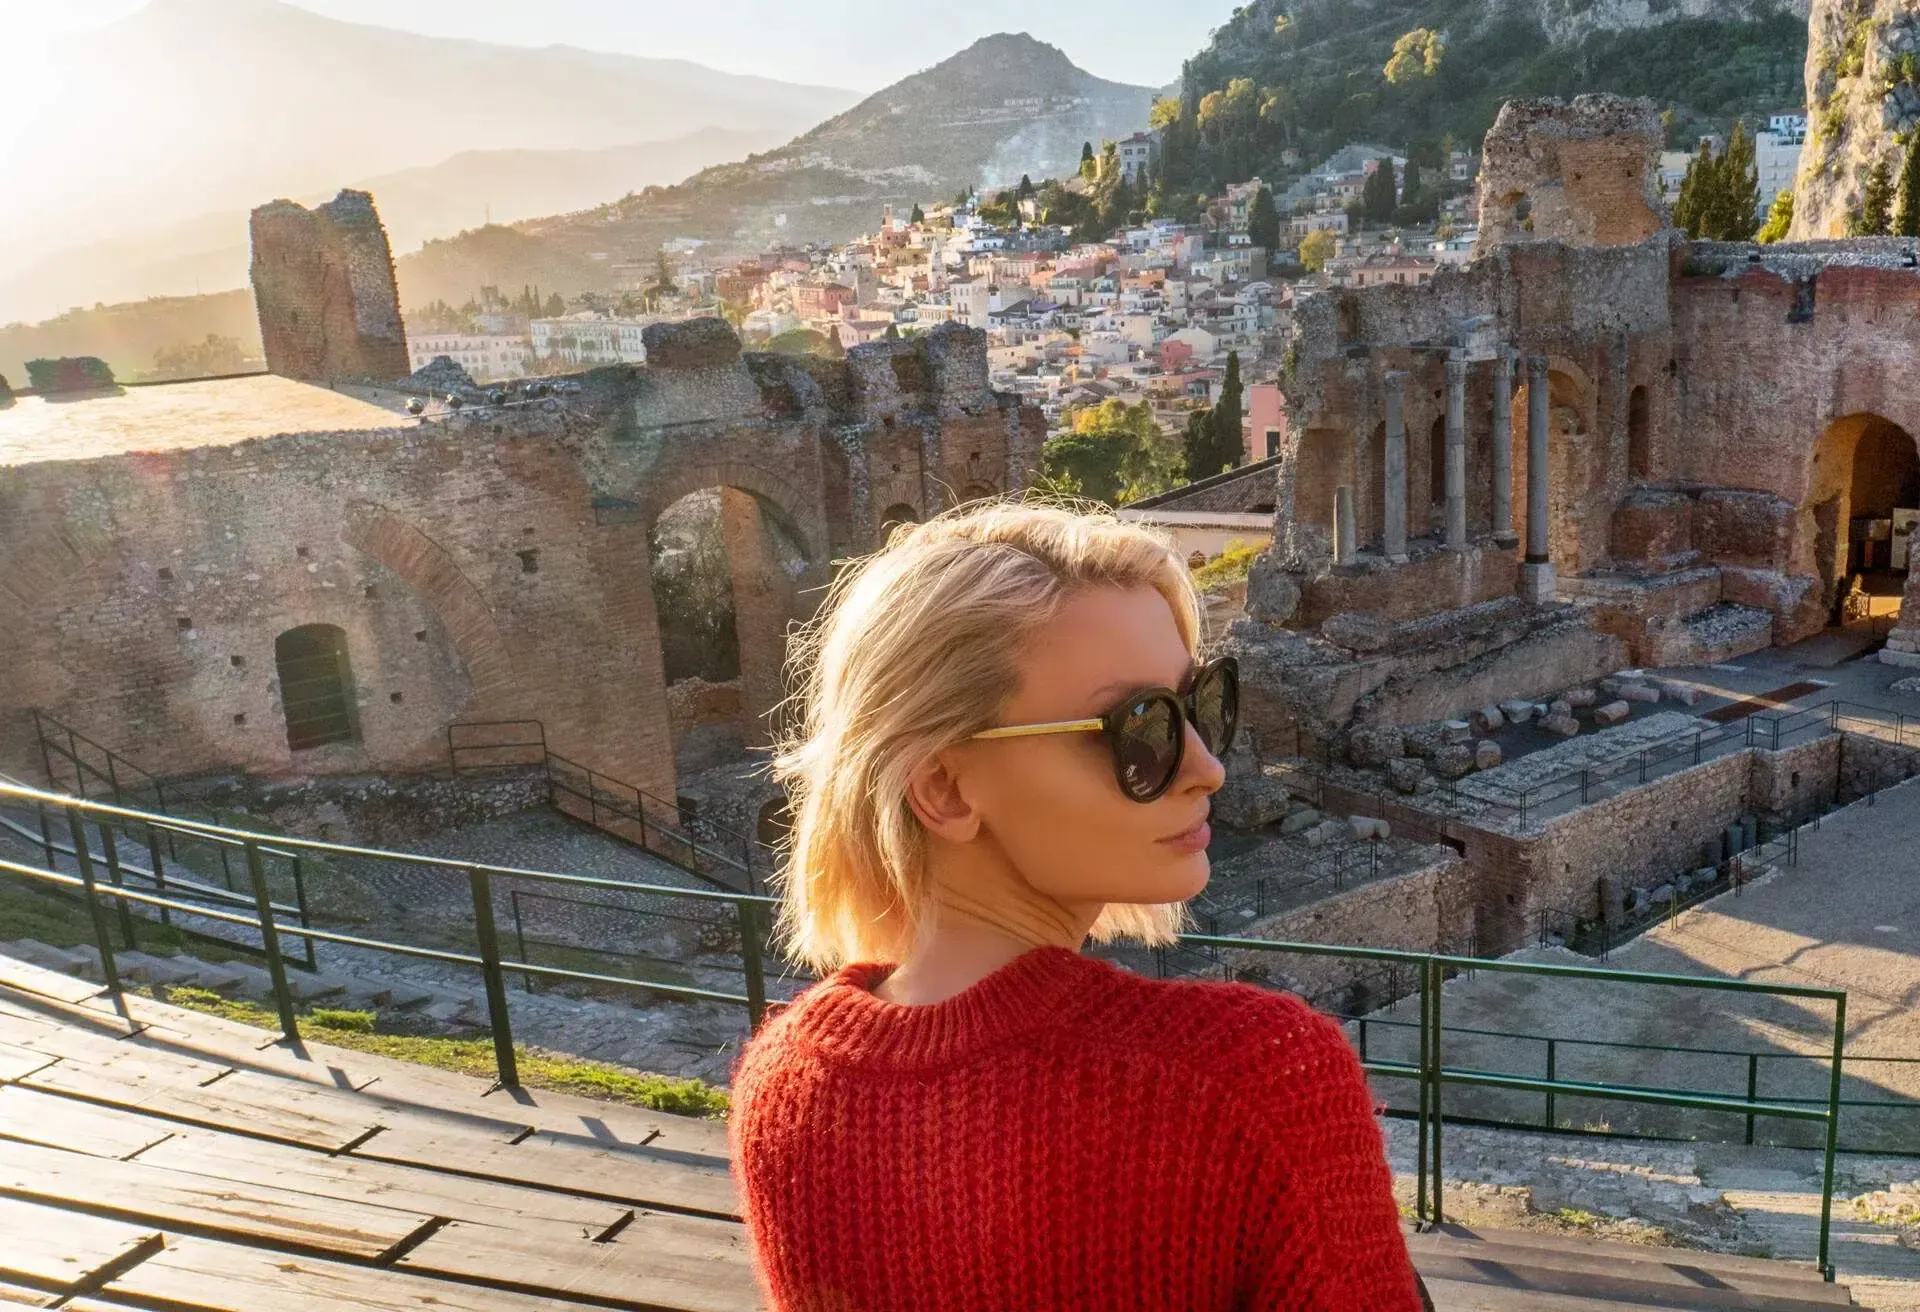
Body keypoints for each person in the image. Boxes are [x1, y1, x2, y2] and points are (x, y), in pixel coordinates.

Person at [728, 497, 1424, 1311]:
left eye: (1199, 707)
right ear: (945, 789)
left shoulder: (783, 1088)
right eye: (1141, 730)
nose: (1207, 767)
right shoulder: (1244, 1083)